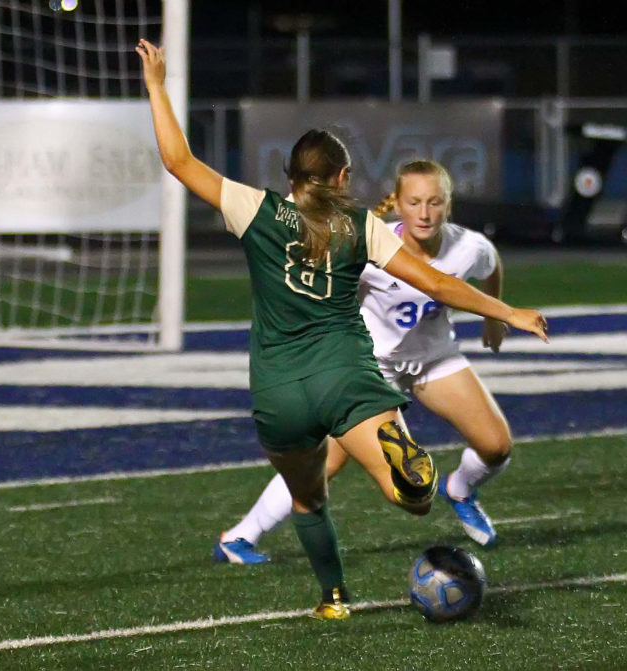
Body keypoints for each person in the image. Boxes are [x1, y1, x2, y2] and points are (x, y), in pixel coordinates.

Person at [135, 39, 548, 619]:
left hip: (278, 389)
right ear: (343, 175)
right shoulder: (365, 227)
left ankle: (332, 597)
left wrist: (156, 84)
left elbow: (178, 160)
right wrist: (507, 314)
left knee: (309, 495)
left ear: (290, 173)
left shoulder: (254, 209)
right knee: (410, 497)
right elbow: (436, 284)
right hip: (345, 375)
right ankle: (411, 479)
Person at [214, 160, 516, 569]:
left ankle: (460, 489)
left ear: (448, 205)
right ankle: (240, 537)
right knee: (325, 462)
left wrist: (493, 317)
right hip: (374, 369)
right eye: (414, 202)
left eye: (434, 202)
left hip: (435, 360)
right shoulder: (369, 245)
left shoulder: (468, 246)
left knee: (496, 447)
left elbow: (491, 264)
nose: (424, 213)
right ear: (399, 205)